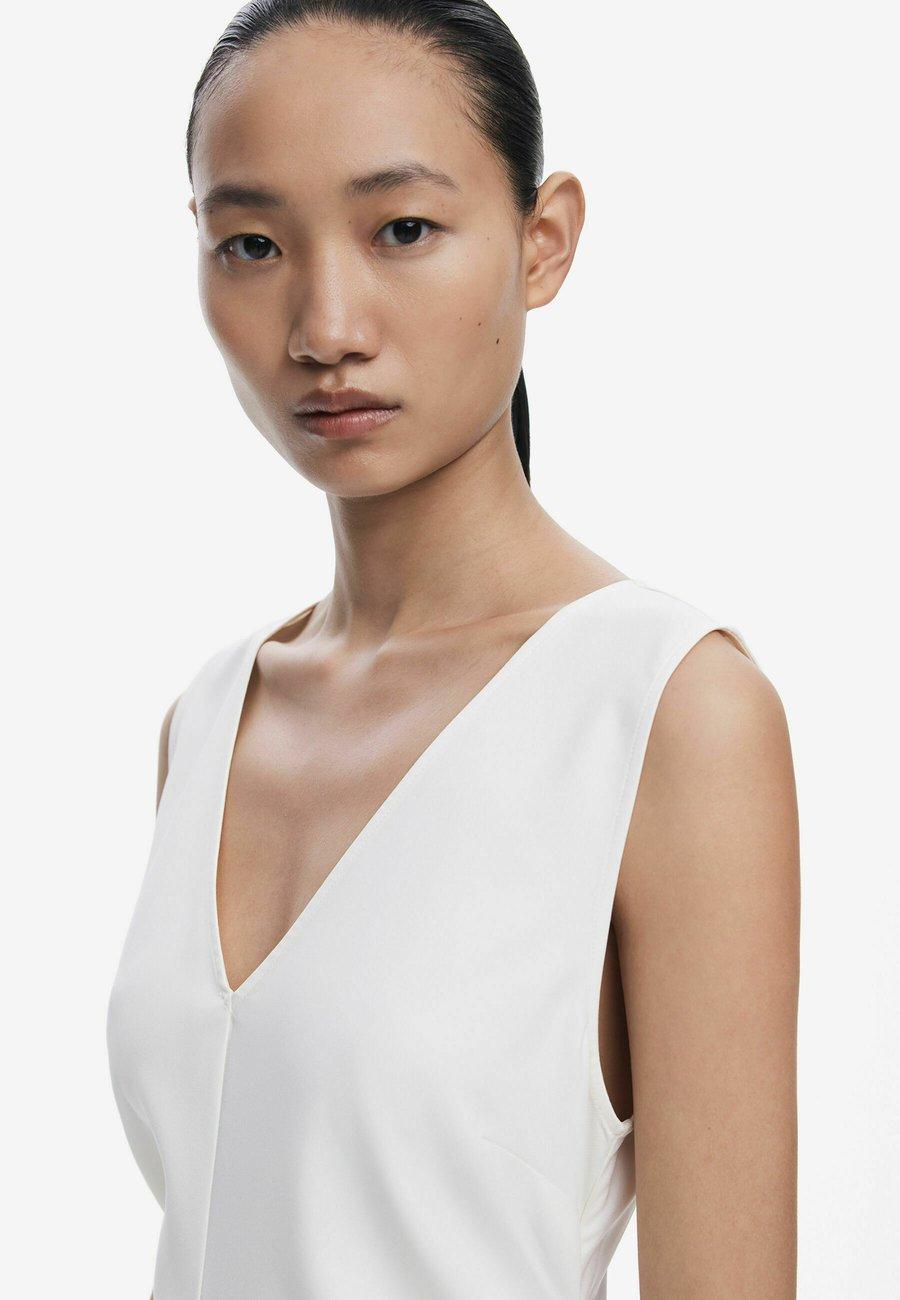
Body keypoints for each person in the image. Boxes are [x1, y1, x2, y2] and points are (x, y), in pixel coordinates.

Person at [105, 2, 800, 1296]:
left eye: (403, 230)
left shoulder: (667, 711)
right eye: (252, 244)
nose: (325, 326)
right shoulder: (208, 720)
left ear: (544, 242)